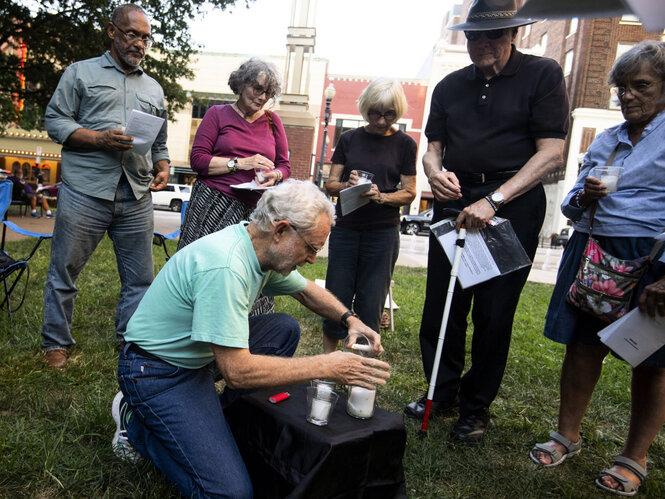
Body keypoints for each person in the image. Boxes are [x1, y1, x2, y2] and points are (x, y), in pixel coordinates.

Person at [112, 180, 390, 497]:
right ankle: (138, 427)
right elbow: (238, 372)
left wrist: (349, 319)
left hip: (197, 357)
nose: (312, 259)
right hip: (156, 372)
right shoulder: (226, 266)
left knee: (283, 328)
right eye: (311, 248)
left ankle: (212, 424)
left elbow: (306, 291)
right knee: (230, 493)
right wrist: (326, 366)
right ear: (281, 230)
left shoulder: (259, 247)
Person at [404, 0, 570, 444]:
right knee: (443, 306)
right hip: (454, 201)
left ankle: (476, 409)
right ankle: (440, 393)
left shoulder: (543, 75)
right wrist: (434, 172)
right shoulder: (449, 85)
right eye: (473, 35)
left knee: (494, 314)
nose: (481, 43)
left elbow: (552, 151)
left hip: (510, 205)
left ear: (513, 34)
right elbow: (433, 146)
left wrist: (496, 200)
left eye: (492, 35)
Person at [529, 40, 665, 497]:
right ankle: (567, 434)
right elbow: (569, 207)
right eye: (621, 88)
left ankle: (635, 456)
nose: (628, 95)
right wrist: (583, 196)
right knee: (584, 347)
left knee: (652, 361)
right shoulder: (606, 139)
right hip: (593, 253)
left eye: (641, 85)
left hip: (651, 257)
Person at [42, 4, 170, 368]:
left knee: (141, 278)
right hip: (86, 190)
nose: (140, 44)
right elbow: (55, 121)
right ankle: (56, 344)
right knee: (65, 271)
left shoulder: (154, 87)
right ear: (112, 31)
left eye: (145, 37)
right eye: (132, 34)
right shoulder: (79, 72)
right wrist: (99, 139)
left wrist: (162, 165)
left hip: (136, 193)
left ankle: (130, 342)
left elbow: (159, 140)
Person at [179, 57, 290, 316]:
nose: (262, 97)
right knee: (205, 265)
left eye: (269, 93)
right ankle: (192, 320)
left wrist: (274, 175)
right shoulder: (217, 114)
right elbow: (198, 161)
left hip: (255, 208)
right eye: (257, 89)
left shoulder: (274, 122)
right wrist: (241, 164)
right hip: (213, 203)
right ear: (240, 84)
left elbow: (285, 165)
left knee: (251, 268)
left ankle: (250, 326)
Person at [322, 78, 416, 352]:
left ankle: (361, 372)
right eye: (375, 112)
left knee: (371, 299)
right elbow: (330, 184)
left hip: (382, 233)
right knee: (336, 296)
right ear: (366, 109)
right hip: (347, 229)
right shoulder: (349, 138)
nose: (382, 120)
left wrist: (382, 196)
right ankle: (328, 364)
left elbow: (410, 192)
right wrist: (348, 186)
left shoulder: (405, 144)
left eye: (389, 114)